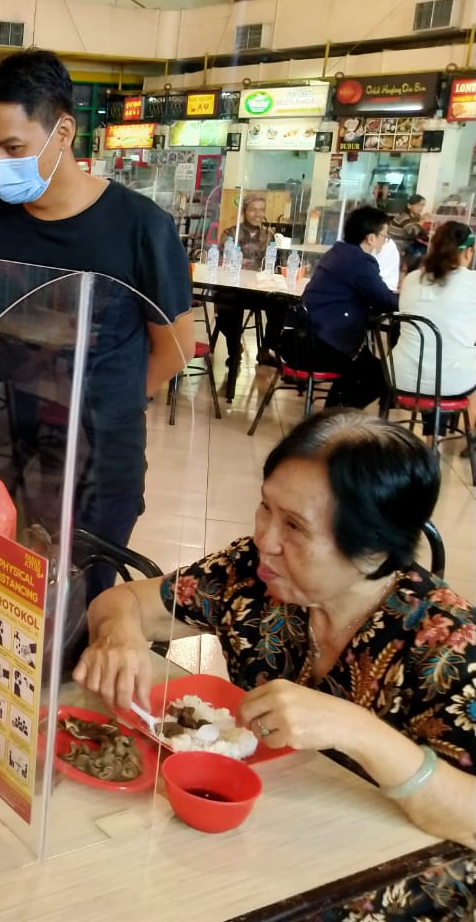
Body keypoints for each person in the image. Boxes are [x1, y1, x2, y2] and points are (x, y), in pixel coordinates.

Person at [73, 409, 475, 922]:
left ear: (373, 551)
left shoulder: (445, 644)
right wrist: (120, 635)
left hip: (393, 871)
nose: (265, 537)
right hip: (274, 828)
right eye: (266, 508)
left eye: (294, 526)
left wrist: (359, 731)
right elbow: (127, 601)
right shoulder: (253, 574)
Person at [0, 48, 194, 601]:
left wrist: (106, 407)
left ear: (63, 131)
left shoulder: (139, 228)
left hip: (98, 457)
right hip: (1, 446)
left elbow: (176, 346)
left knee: (68, 606)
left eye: (14, 148)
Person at [299, 206, 398, 409]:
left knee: (364, 367)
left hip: (303, 338)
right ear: (371, 238)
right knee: (380, 375)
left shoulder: (337, 252)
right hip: (323, 346)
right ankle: (334, 420)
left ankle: (331, 417)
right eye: (384, 236)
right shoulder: (360, 262)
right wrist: (410, 299)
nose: (384, 242)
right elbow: (385, 300)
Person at [392, 220, 476, 400]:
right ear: (469, 252)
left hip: (401, 376)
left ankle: (433, 424)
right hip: (452, 382)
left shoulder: (412, 278)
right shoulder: (472, 282)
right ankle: (454, 427)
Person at [214, 194, 281, 391]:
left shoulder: (269, 237)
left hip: (258, 289)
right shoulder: (230, 233)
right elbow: (220, 260)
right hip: (233, 286)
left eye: (261, 209)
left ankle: (266, 349)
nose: (258, 214)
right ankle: (234, 350)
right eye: (254, 209)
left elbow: (273, 264)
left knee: (280, 305)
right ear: (244, 212)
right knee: (226, 308)